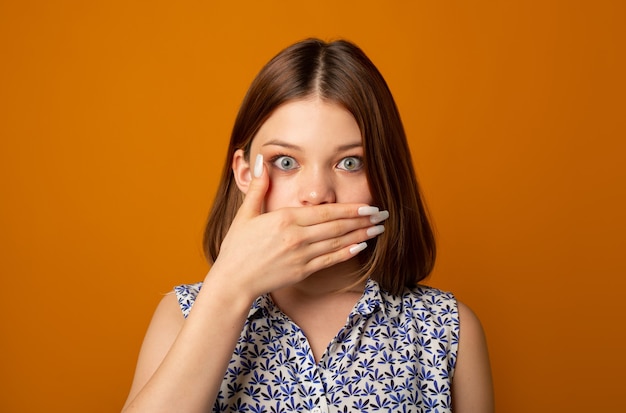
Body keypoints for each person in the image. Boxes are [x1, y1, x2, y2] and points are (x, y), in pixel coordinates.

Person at [122, 38, 493, 413]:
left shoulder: (448, 330)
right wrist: (229, 287)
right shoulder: (182, 315)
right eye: (286, 162)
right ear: (245, 173)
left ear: (385, 177)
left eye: (350, 163)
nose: (317, 194)